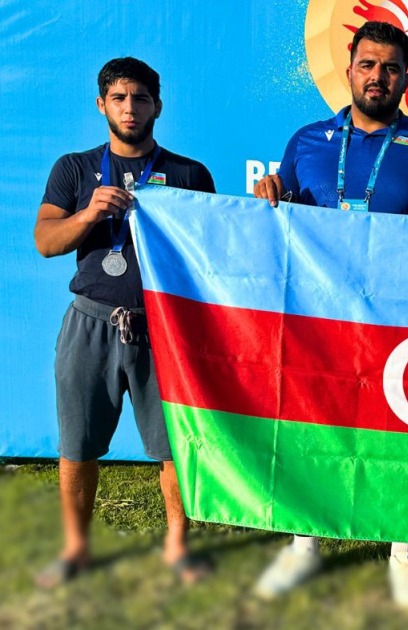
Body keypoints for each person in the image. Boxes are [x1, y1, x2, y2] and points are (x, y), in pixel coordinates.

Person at [251, 21, 408, 606]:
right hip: (322, 316)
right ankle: (305, 539)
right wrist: (269, 191)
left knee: (405, 427)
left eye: (390, 68)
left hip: (401, 315)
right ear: (348, 70)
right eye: (367, 65)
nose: (377, 77)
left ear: (407, 80)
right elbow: (282, 206)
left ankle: (404, 545)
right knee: (313, 417)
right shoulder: (307, 141)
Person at [33, 57, 217, 587]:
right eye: (118, 98)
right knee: (77, 446)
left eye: (140, 98)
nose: (130, 108)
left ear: (158, 105)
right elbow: (45, 242)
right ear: (102, 105)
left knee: (173, 449)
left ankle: (178, 548)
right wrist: (89, 214)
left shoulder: (189, 174)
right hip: (89, 322)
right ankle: (75, 549)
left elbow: (210, 252)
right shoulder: (73, 168)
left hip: (162, 328)